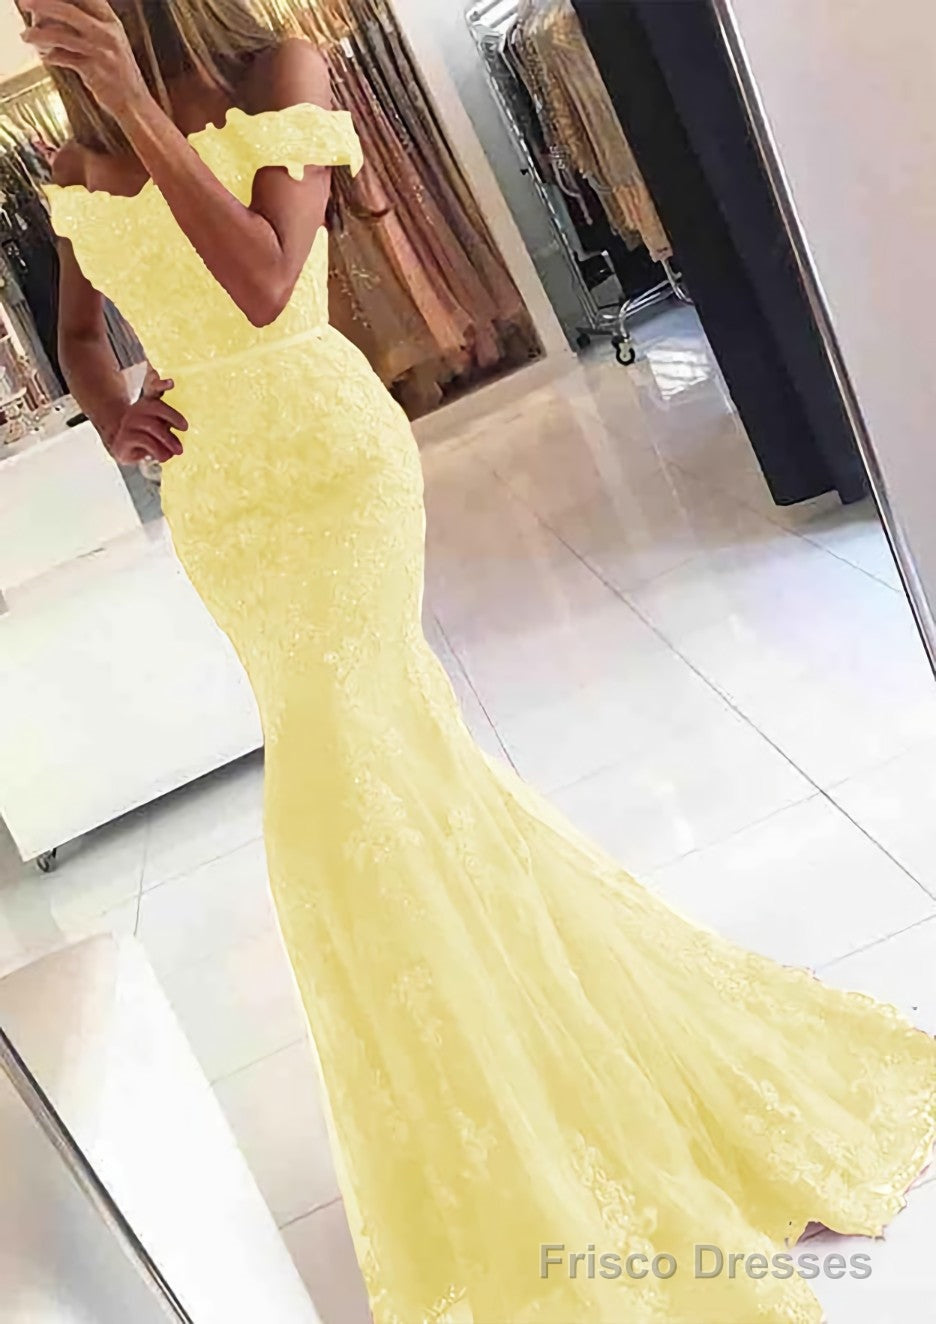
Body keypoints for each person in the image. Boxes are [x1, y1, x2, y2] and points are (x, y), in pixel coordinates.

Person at [24, 2, 935, 1321]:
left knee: (344, 814)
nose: (37, 19)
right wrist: (118, 413)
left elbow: (267, 286)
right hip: (222, 503)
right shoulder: (70, 159)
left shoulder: (282, 68)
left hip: (328, 467)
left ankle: (520, 1101)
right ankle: (500, 1083)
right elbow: (79, 332)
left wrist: (138, 104)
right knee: (401, 791)